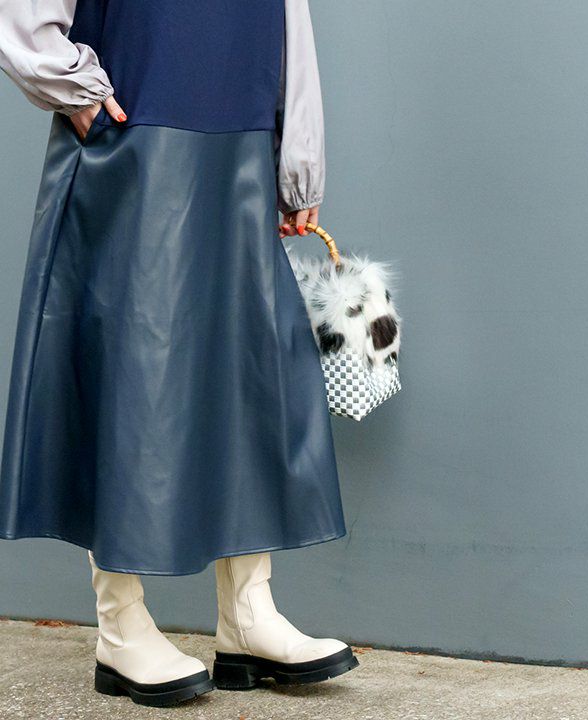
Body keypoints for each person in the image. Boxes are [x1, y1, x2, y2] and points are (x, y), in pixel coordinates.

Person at [0, 0, 358, 708]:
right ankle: (121, 623)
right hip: (139, 130)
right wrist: (81, 94)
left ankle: (247, 614)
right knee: (133, 370)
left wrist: (298, 157)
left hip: (241, 131)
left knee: (242, 368)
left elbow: (287, 14)